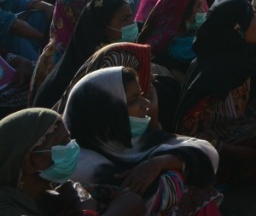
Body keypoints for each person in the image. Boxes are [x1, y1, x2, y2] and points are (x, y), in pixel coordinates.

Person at [63, 66, 220, 215]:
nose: (146, 104)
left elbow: (206, 151)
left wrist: (160, 162)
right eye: (133, 100)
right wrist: (179, 166)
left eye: (142, 95)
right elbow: (152, 195)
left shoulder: (131, 139)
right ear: (106, 112)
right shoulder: (82, 165)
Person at [174, 0, 256, 179]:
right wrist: (236, 151)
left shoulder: (245, 53)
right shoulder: (214, 72)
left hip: (237, 125)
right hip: (221, 148)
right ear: (238, 29)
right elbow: (187, 134)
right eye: (253, 17)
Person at [0, 107, 146, 216]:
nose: (72, 147)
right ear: (31, 162)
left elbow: (131, 198)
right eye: (63, 143)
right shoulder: (8, 209)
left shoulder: (56, 191)